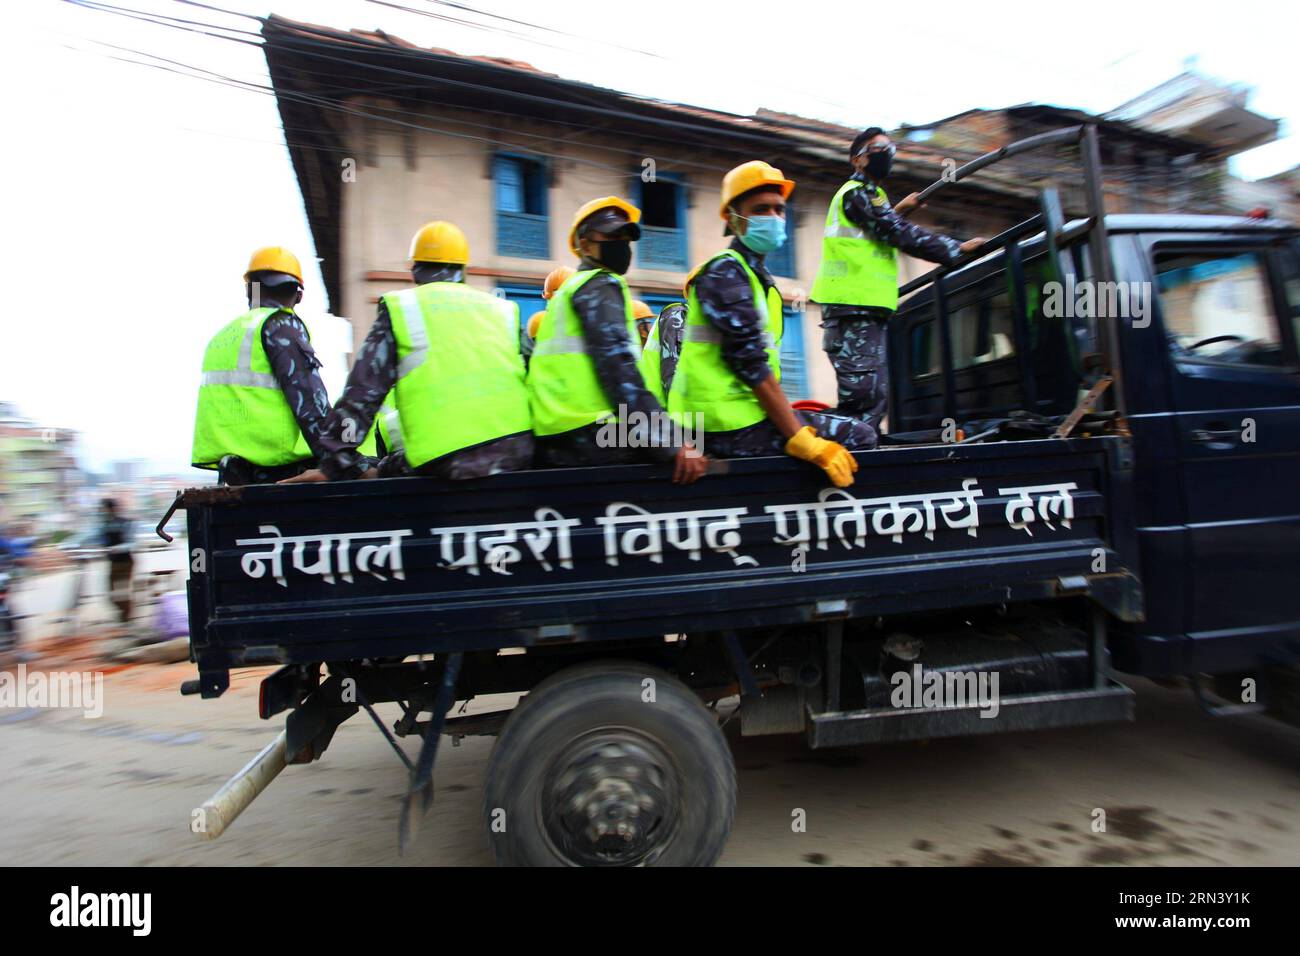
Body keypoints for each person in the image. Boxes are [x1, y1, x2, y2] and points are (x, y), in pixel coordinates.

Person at [668, 161, 874, 488]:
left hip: (741, 419)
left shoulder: (756, 277)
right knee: (859, 437)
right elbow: (751, 365)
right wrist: (801, 438)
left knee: (849, 426)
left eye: (780, 210)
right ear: (733, 219)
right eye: (761, 209)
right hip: (722, 427)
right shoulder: (725, 272)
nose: (775, 218)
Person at [285, 221, 533, 482]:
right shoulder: (502, 309)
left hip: (445, 460)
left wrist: (335, 463)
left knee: (383, 467)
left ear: (415, 271)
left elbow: (362, 393)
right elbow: (533, 375)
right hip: (517, 452)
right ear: (463, 270)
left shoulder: (402, 308)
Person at [811, 127, 986, 433]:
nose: (887, 154)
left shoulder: (871, 197)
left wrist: (898, 210)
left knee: (873, 398)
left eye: (890, 149)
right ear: (857, 160)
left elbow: (882, 226)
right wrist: (954, 249)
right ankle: (828, 445)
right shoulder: (855, 193)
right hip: (852, 309)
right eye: (878, 149)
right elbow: (896, 232)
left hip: (864, 309)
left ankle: (854, 454)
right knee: (865, 400)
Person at [527, 197, 706, 483]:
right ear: (584, 245)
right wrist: (672, 442)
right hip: (591, 433)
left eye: (625, 236)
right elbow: (618, 369)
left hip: (556, 433)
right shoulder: (600, 284)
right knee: (698, 438)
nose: (621, 243)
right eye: (611, 236)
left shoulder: (569, 291)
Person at [191, 246, 371, 485]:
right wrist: (346, 465)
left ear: (250, 290)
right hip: (277, 472)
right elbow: (310, 403)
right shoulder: (281, 326)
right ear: (298, 295)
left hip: (236, 474)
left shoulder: (223, 336)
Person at [98, 498, 134, 625]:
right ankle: (124, 614)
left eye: (103, 509)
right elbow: (96, 537)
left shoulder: (125, 523)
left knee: (122, 591)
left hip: (125, 561)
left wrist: (116, 548)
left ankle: (127, 619)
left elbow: (132, 543)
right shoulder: (104, 524)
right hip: (113, 562)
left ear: (111, 509)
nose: (102, 511)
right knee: (112, 594)